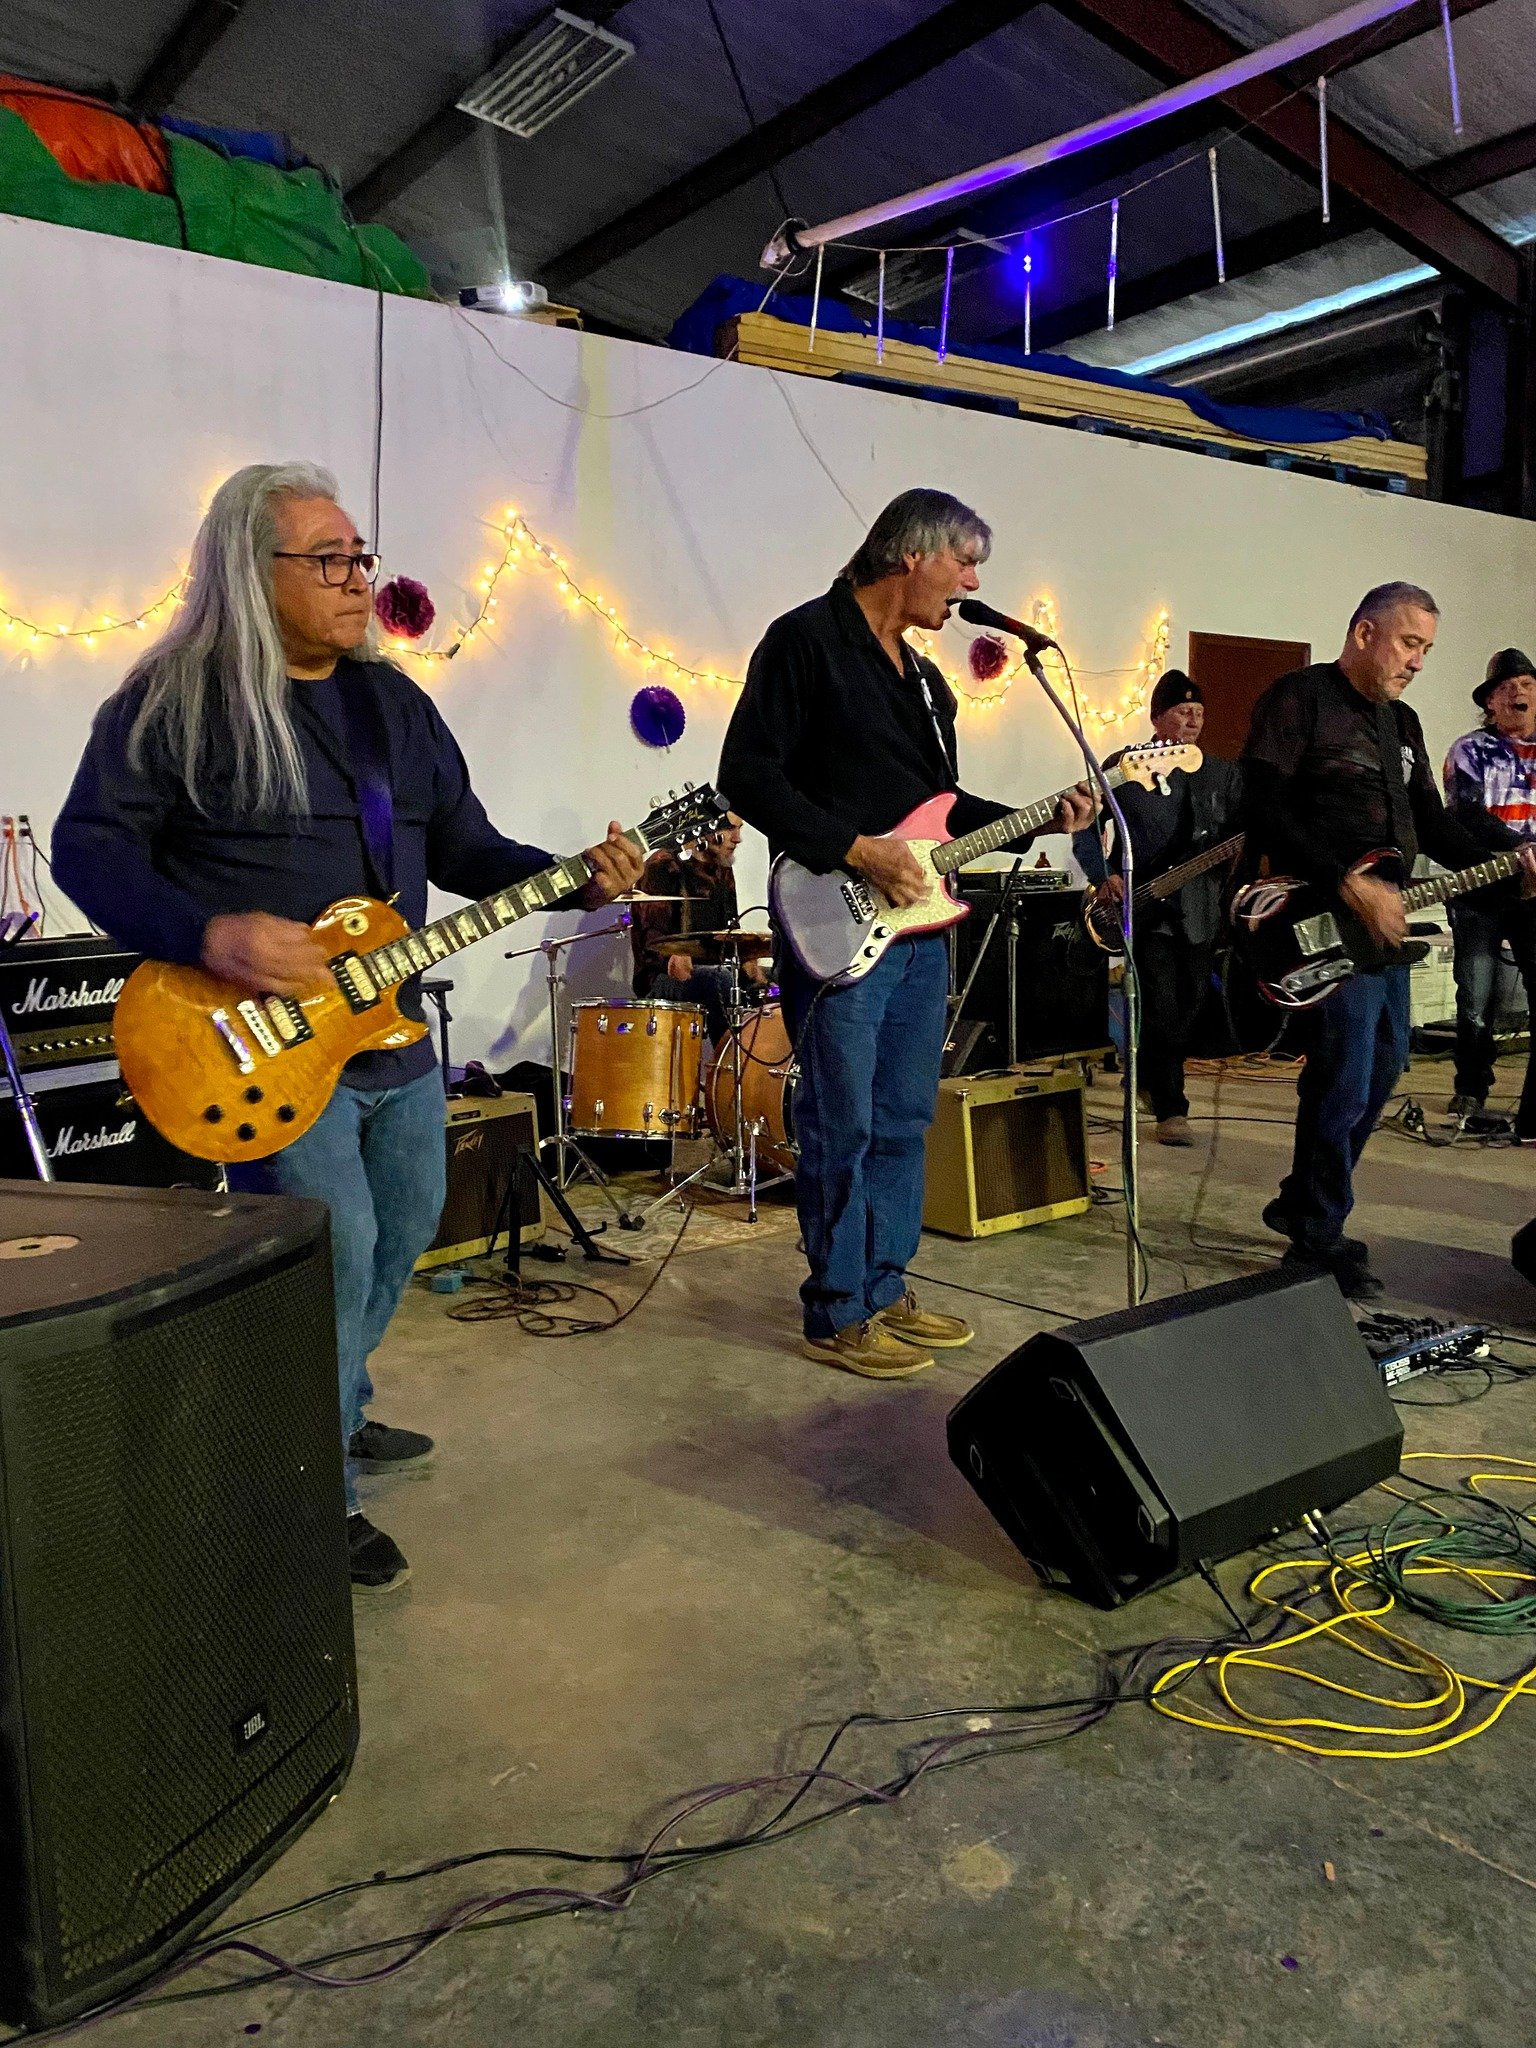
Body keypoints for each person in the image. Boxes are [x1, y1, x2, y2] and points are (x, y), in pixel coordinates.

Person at [51, 462, 642, 1590]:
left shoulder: (393, 706)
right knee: (335, 1253)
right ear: (249, 569)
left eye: (360, 555)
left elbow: (466, 848)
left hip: (390, 1036)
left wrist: (575, 876)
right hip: (259, 1042)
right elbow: (89, 848)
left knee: (407, 1225)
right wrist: (209, 933)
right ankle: (303, 1489)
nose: (358, 577)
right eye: (327, 560)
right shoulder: (174, 702)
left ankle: (334, 1405)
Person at [718, 487, 1095, 1378]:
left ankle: (884, 1286)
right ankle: (836, 1310)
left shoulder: (925, 683)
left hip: (920, 929)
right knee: (840, 1121)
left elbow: (943, 809)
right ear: (911, 554)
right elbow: (747, 775)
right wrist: (857, 850)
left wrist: (1042, 817)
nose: (971, 584)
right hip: (835, 919)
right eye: (965, 562)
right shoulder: (805, 641)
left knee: (901, 1119)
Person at [1242, 583, 1532, 1299]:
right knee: (1343, 1075)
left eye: (1427, 648)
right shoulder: (1300, 698)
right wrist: (1348, 882)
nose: (1419, 662)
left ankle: (1303, 1199)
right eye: (1409, 643)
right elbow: (1263, 806)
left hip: (1383, 925)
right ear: (1364, 633)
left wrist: (1510, 861)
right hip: (1319, 917)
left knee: (1383, 1068)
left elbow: (1433, 823)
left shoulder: (1401, 722)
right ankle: (1316, 1238)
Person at [1087, 672, 1242, 1145]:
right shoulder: (1126, 766)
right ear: (1157, 718)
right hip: (1144, 907)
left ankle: (1145, 1077)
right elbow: (1086, 824)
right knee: (1160, 1005)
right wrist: (1102, 874)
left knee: (1192, 1004)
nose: (1193, 719)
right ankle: (1172, 1109)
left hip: (1200, 909)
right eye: (1182, 711)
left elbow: (1242, 830)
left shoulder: (1221, 774)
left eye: (1199, 712)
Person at [1442, 648, 1536, 1130]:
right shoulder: (1470, 749)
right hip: (1481, 887)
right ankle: (1471, 1089)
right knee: (1476, 997)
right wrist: (1521, 847)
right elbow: (1466, 814)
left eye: (1527, 685)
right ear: (1490, 703)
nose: (1519, 692)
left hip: (1533, 891)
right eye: (1507, 687)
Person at [627, 814, 767, 1043]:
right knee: (721, 980)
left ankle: (770, 1060)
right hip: (661, 980)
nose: (738, 838)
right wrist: (672, 957)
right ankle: (728, 1059)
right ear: (705, 827)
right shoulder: (663, 865)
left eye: (740, 829)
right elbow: (651, 942)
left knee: (783, 978)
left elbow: (730, 930)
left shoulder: (721, 867)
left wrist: (747, 957)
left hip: (715, 971)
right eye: (730, 828)